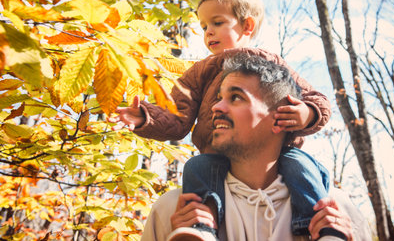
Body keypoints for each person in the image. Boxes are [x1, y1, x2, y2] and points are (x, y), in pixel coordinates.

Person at [109, 0, 333, 238]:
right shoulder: (200, 71)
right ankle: (201, 226)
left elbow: (317, 98)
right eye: (204, 26)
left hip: (277, 154)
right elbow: (176, 115)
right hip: (216, 153)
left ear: (247, 26)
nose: (208, 32)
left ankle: (317, 225)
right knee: (196, 167)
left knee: (302, 167)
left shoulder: (272, 64)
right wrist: (147, 117)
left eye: (217, 22)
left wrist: (308, 113)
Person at [141, 53, 372, 240]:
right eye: (219, 97)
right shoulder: (174, 212)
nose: (216, 107)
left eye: (236, 97)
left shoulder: (337, 214)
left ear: (280, 117)